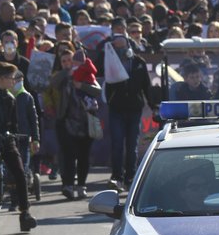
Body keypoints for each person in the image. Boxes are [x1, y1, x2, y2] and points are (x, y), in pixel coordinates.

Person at [0, 62, 38, 230]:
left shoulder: (10, 98)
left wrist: (13, 135)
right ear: (2, 78)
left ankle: (25, 212)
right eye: (12, 78)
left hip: (6, 140)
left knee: (20, 172)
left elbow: (13, 125)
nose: (14, 81)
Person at [50, 48, 101, 199]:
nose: (67, 63)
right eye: (64, 61)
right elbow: (53, 83)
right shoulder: (62, 76)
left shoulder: (85, 74)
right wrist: (67, 73)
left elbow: (97, 91)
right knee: (68, 155)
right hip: (66, 122)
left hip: (85, 122)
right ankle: (68, 184)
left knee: (83, 156)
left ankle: (81, 185)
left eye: (70, 60)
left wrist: (82, 86)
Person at [104, 34, 152, 192]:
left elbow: (147, 85)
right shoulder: (109, 62)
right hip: (116, 108)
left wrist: (154, 105)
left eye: (123, 46)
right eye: (117, 47)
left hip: (134, 108)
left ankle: (130, 177)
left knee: (132, 145)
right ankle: (117, 177)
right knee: (117, 144)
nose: (121, 49)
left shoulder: (138, 62)